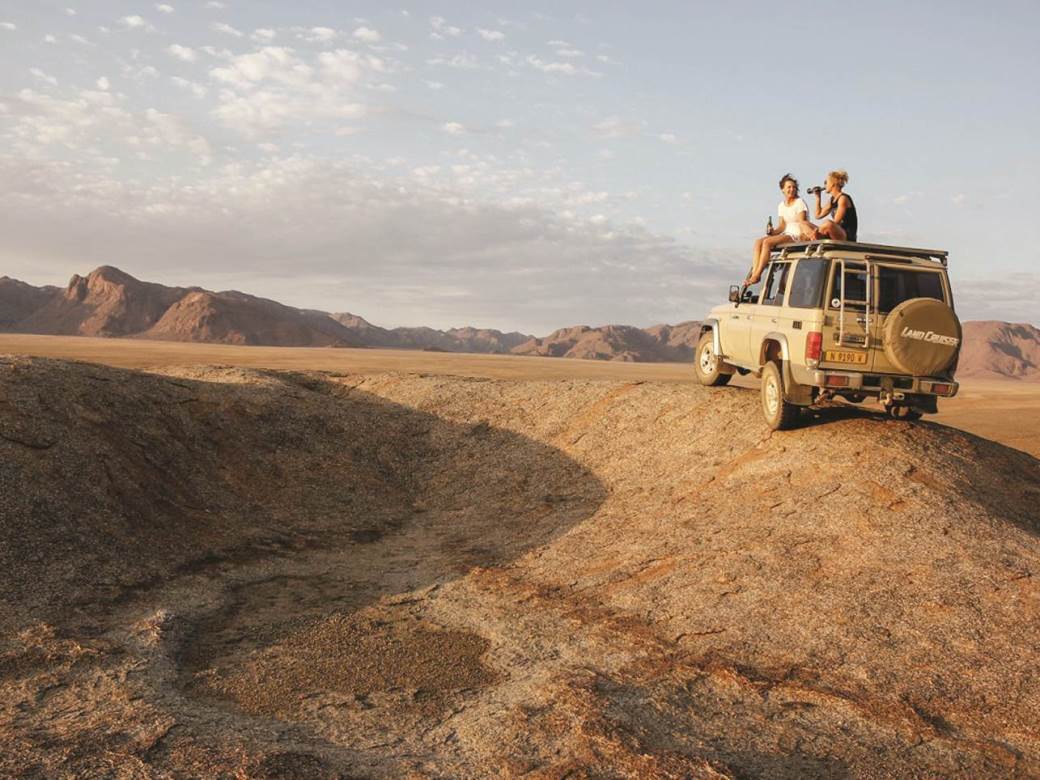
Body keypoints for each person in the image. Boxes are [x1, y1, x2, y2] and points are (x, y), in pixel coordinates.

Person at [747, 173, 816, 285]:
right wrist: (772, 232)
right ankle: (754, 272)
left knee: (767, 243)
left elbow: (802, 222)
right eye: (789, 187)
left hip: (797, 235)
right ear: (782, 189)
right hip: (786, 233)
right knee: (758, 242)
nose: (791, 189)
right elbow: (782, 226)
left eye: (794, 187)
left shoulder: (799, 202)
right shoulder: (781, 205)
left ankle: (757, 275)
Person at [812, 169, 858, 241]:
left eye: (826, 182)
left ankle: (816, 237)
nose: (825, 185)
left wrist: (818, 230)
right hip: (836, 231)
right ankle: (815, 236)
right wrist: (818, 197)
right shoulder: (832, 200)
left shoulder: (843, 198)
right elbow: (818, 215)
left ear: (833, 183)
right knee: (805, 224)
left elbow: (836, 222)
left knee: (828, 223)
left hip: (847, 235)